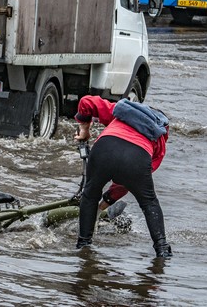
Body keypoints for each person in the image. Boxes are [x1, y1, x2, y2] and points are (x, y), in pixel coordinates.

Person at [73, 95, 172, 258]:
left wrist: (85, 129)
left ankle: (83, 245)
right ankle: (162, 249)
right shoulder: (159, 138)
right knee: (149, 202)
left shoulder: (120, 112)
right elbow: (126, 182)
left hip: (104, 148)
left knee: (89, 194)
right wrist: (107, 201)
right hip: (137, 157)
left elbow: (86, 102)